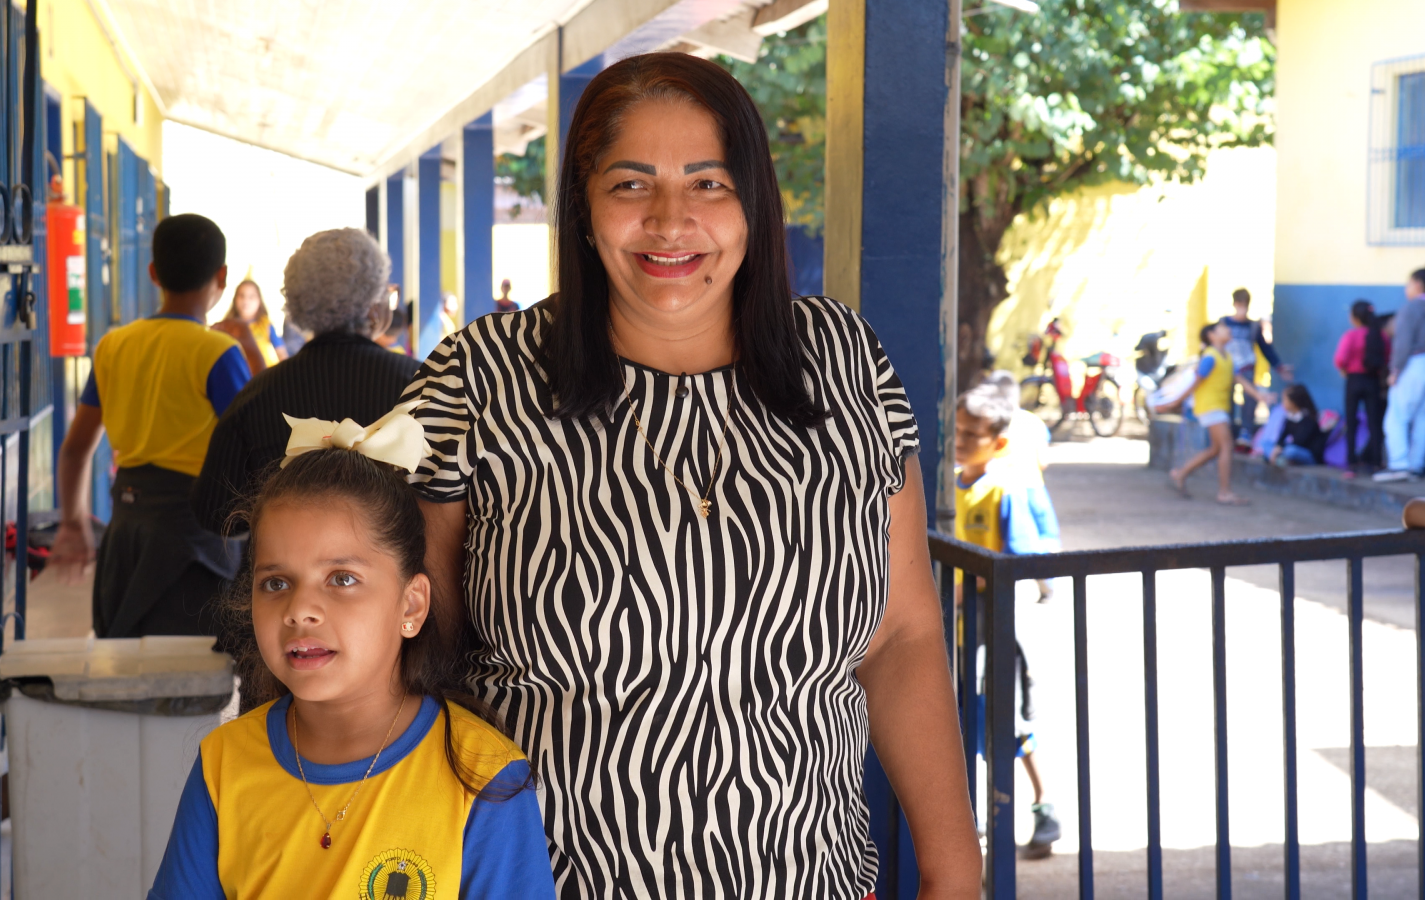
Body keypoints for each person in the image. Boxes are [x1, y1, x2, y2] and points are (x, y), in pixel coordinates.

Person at [402, 53, 980, 897]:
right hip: (539, 878)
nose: (672, 222)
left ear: (754, 203)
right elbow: (416, 650)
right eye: (631, 185)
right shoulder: (479, 379)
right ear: (584, 206)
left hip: (808, 877)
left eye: (709, 183)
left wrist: (954, 871)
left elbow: (902, 635)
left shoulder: (846, 362)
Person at [150, 418, 555, 898]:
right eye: (275, 583)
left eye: (341, 578)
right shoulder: (224, 764)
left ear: (411, 606)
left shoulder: (482, 777)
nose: (300, 610)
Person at [50, 214, 251, 636]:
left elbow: (75, 449)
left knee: (126, 662)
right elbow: (252, 442)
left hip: (127, 528)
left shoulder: (113, 346)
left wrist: (73, 522)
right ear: (222, 276)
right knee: (195, 673)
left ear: (153, 273)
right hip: (197, 536)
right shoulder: (218, 352)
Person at [193, 228, 423, 543]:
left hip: (285, 581)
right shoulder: (421, 387)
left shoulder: (257, 395)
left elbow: (214, 512)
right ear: (373, 304)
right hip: (396, 581)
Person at [954, 384, 1062, 859]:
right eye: (957, 430)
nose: (959, 440)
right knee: (966, 719)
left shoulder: (1004, 489)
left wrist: (972, 583)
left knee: (1009, 718)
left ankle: (1043, 807)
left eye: (971, 434)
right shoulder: (950, 486)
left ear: (997, 442)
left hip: (999, 629)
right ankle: (972, 821)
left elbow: (1018, 560)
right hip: (963, 631)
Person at [1169, 322, 1273, 505]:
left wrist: (1259, 395)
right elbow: (1195, 382)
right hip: (1210, 407)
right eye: (1222, 329)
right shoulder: (1210, 358)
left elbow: (1240, 379)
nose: (1228, 330)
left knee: (1216, 449)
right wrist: (1175, 402)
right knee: (1227, 446)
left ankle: (1182, 473)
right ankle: (1224, 492)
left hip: (1218, 408)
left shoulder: (1227, 357)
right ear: (1212, 335)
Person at [987, 370, 1058, 602]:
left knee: (1016, 540)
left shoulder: (995, 424)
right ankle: (1048, 585)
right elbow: (1043, 461)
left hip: (1008, 490)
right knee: (1045, 538)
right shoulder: (1034, 421)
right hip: (1035, 489)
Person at [1376, 267, 1425, 483]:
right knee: (1424, 418)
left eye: (1409, 284)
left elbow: (1402, 343)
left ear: (1418, 284)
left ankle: (1399, 464)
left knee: (1396, 416)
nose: (1406, 289)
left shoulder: (1411, 309)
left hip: (1414, 364)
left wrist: (1395, 370)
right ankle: (1416, 466)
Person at [1219, 288, 1292, 445]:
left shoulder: (1253, 326)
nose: (1242, 308)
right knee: (1227, 399)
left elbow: (1266, 348)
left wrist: (1278, 366)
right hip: (1227, 367)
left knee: (1250, 398)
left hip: (1246, 367)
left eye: (1245, 305)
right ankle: (1229, 431)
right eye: (1239, 304)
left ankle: (1246, 431)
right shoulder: (1224, 323)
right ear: (1234, 304)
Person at [1335, 299, 1388, 469]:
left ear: (1355, 318)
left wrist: (1344, 370)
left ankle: (1351, 463)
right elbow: (1387, 358)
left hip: (1354, 380)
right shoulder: (1381, 336)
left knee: (1351, 421)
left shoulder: (1351, 336)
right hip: (1373, 381)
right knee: (1375, 422)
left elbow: (1340, 358)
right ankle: (1376, 461)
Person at [213, 279, 288, 374]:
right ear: (235, 298)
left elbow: (282, 355)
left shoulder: (266, 325)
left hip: (262, 376)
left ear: (259, 300)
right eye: (241, 295)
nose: (246, 300)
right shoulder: (226, 326)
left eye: (251, 296)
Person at [1267, 384, 1327, 467]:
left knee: (1291, 450)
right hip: (1290, 449)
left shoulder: (1308, 419)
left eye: (1285, 400)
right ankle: (1279, 459)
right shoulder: (1289, 417)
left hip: (1309, 456)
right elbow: (1281, 438)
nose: (1283, 403)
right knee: (1266, 444)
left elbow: (1299, 442)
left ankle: (1280, 459)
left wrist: (1280, 448)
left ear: (1294, 402)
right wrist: (1277, 447)